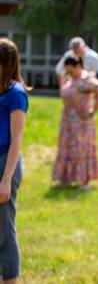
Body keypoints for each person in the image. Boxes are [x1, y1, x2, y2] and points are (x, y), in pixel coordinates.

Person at [0, 38, 29, 284]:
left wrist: (6, 180)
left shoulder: (16, 94)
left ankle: (10, 280)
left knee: (4, 228)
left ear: (6, 64)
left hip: (5, 164)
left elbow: (16, 140)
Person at [52, 57, 98, 190]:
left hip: (82, 121)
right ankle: (65, 178)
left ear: (78, 67)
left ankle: (84, 180)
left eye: (71, 70)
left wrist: (92, 111)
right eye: (67, 71)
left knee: (80, 149)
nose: (68, 73)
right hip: (67, 120)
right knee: (66, 147)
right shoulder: (70, 79)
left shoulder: (86, 79)